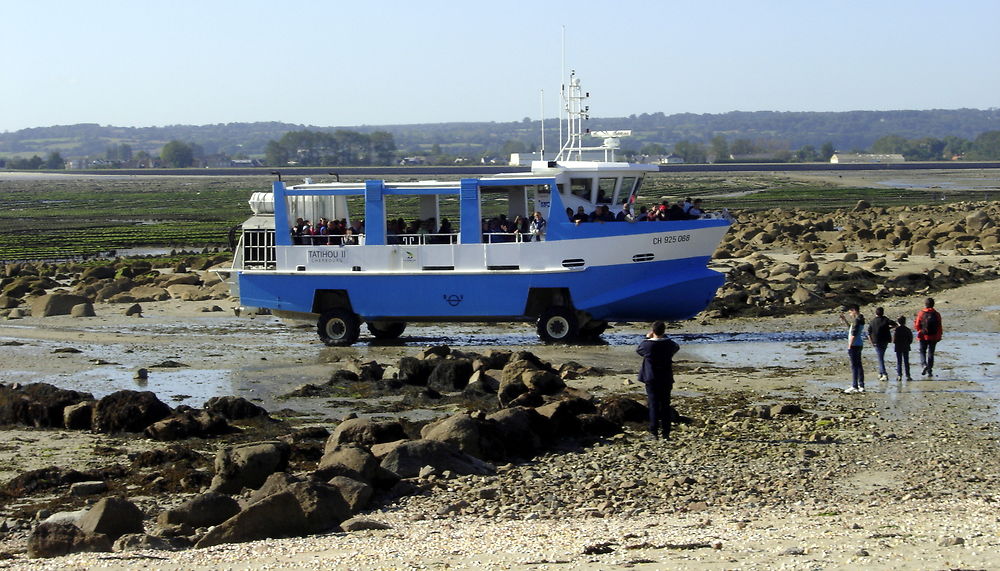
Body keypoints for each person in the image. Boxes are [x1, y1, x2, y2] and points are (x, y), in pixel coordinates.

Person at [636, 321, 680, 440]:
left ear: (653, 331)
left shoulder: (647, 345)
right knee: (665, 405)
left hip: (651, 377)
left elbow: (639, 349)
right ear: (664, 331)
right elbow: (676, 347)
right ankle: (666, 433)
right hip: (665, 377)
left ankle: (653, 432)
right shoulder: (669, 344)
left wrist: (647, 338)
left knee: (653, 404)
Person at [839, 304, 866, 393]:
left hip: (854, 345)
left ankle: (855, 385)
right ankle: (861, 385)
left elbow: (853, 333)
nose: (850, 314)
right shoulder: (859, 319)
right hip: (859, 344)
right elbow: (851, 328)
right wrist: (845, 320)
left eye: (850, 312)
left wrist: (850, 345)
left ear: (854, 310)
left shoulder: (857, 320)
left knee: (854, 366)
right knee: (859, 365)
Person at [914, 297, 943, 377]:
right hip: (933, 336)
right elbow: (939, 326)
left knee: (922, 351)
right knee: (931, 353)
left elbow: (917, 325)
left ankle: (924, 365)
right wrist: (939, 335)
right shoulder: (937, 314)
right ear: (933, 304)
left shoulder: (921, 313)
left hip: (923, 335)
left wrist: (919, 331)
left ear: (925, 304)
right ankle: (930, 370)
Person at [867, 307, 895, 381]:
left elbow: (869, 332)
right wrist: (888, 328)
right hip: (885, 340)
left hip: (876, 341)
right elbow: (895, 324)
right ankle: (880, 373)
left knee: (880, 357)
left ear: (876, 313)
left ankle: (884, 374)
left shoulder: (872, 321)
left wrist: (871, 341)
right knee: (881, 356)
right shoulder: (885, 319)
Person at [892, 315, 913, 382]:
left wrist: (895, 343)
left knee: (899, 361)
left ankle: (899, 375)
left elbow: (894, 340)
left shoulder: (896, 330)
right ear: (905, 322)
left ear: (898, 322)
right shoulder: (908, 329)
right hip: (906, 346)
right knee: (906, 361)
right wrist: (908, 343)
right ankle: (908, 375)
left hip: (898, 347)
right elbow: (910, 339)